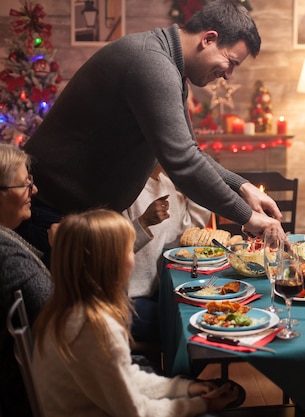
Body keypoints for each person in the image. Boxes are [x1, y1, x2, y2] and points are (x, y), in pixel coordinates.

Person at [19, 0, 284, 265]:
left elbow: (192, 151)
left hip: (74, 215)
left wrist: (244, 187)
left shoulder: (168, 66)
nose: (229, 75)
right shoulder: (152, 62)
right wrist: (248, 218)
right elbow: (183, 162)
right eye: (231, 61)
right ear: (209, 39)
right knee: (66, 307)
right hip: (51, 215)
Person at [32, 209, 244, 416]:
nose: (133, 258)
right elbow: (135, 411)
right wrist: (201, 405)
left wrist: (183, 389)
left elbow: (125, 376)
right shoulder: (96, 328)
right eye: (128, 249)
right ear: (110, 263)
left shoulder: (67, 310)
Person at [123, 164, 212, 346]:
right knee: (187, 325)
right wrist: (143, 222)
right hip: (124, 299)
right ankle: (177, 372)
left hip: (158, 290)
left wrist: (196, 187)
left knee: (203, 313)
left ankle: (183, 371)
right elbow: (108, 251)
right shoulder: (127, 188)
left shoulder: (166, 183)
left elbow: (183, 233)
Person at [0, 144, 53, 417]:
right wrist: (68, 254)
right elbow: (63, 316)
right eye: (24, 185)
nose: (34, 191)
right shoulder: (5, 253)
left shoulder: (9, 237)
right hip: (42, 394)